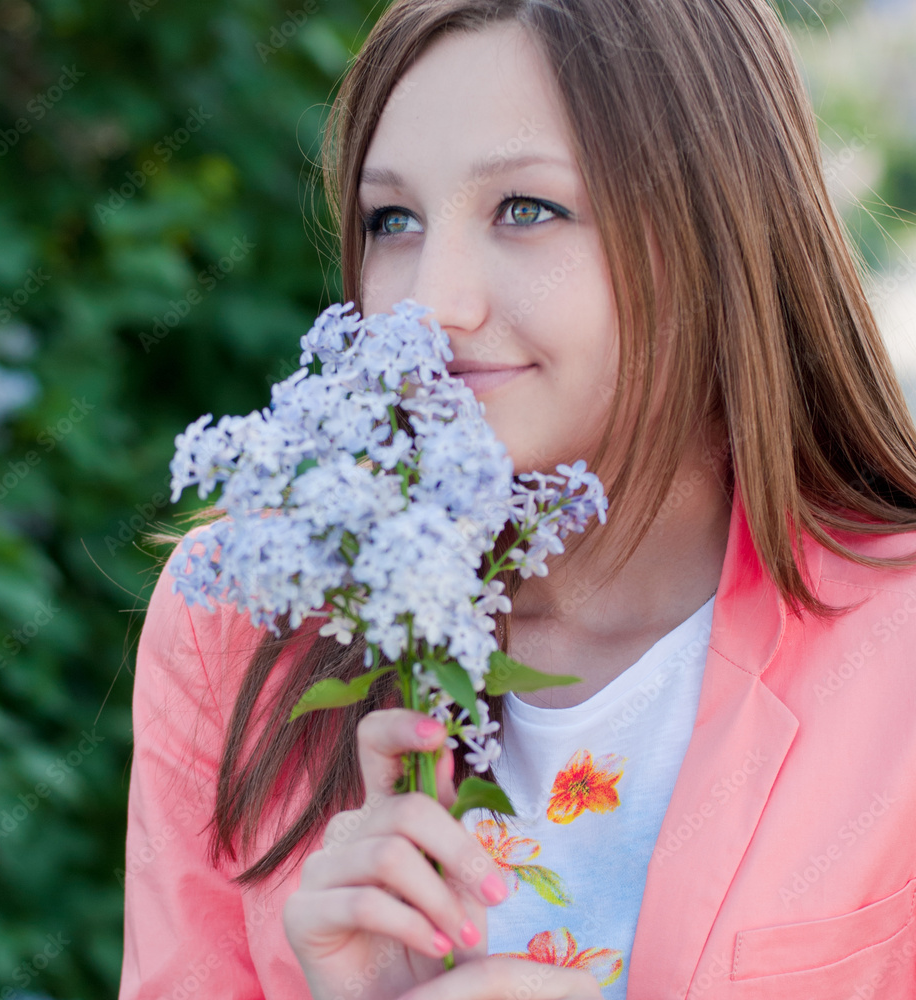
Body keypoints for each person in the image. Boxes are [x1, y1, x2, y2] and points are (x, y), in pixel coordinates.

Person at [117, 0, 916, 997]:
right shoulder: (238, 616)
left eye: (527, 209)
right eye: (392, 219)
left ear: (722, 226)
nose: (432, 302)